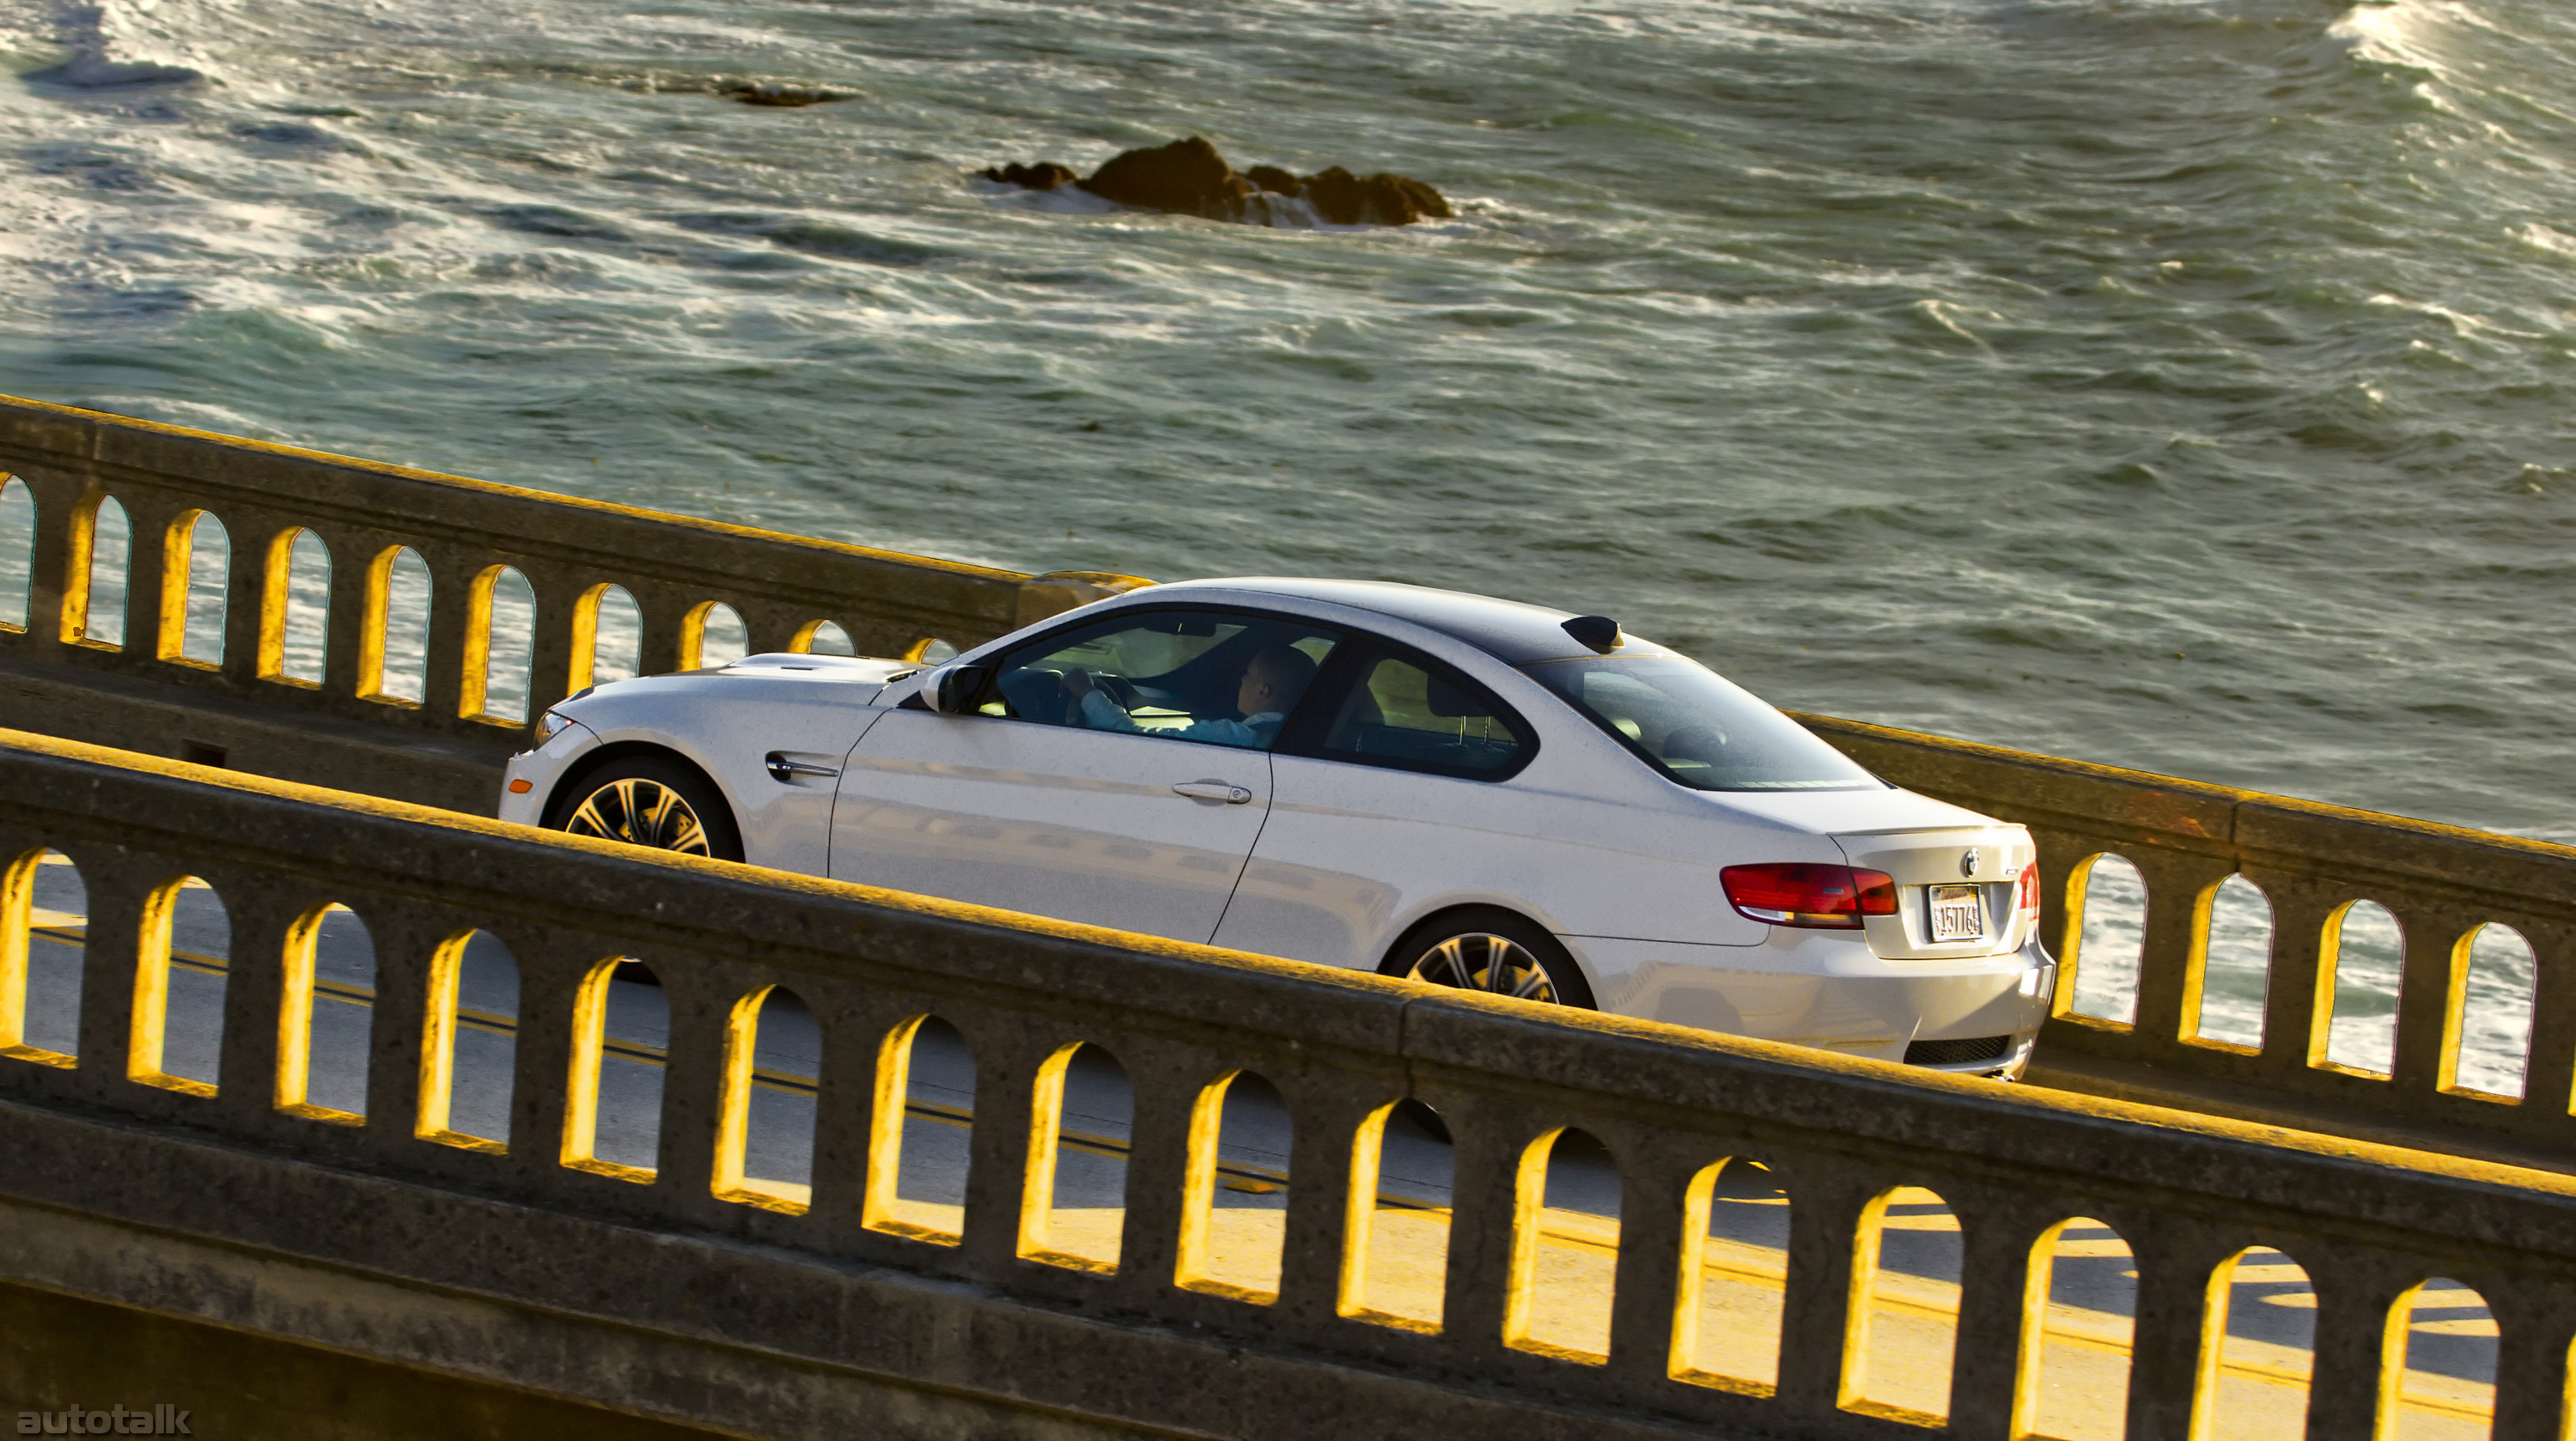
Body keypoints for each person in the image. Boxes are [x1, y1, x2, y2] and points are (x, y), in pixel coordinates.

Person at [1065, 643, 1318, 748]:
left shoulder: (1235, 737)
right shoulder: (1307, 737)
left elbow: (1136, 740)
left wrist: (1087, 693)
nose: (1242, 679)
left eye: (1249, 675)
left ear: (1264, 691)